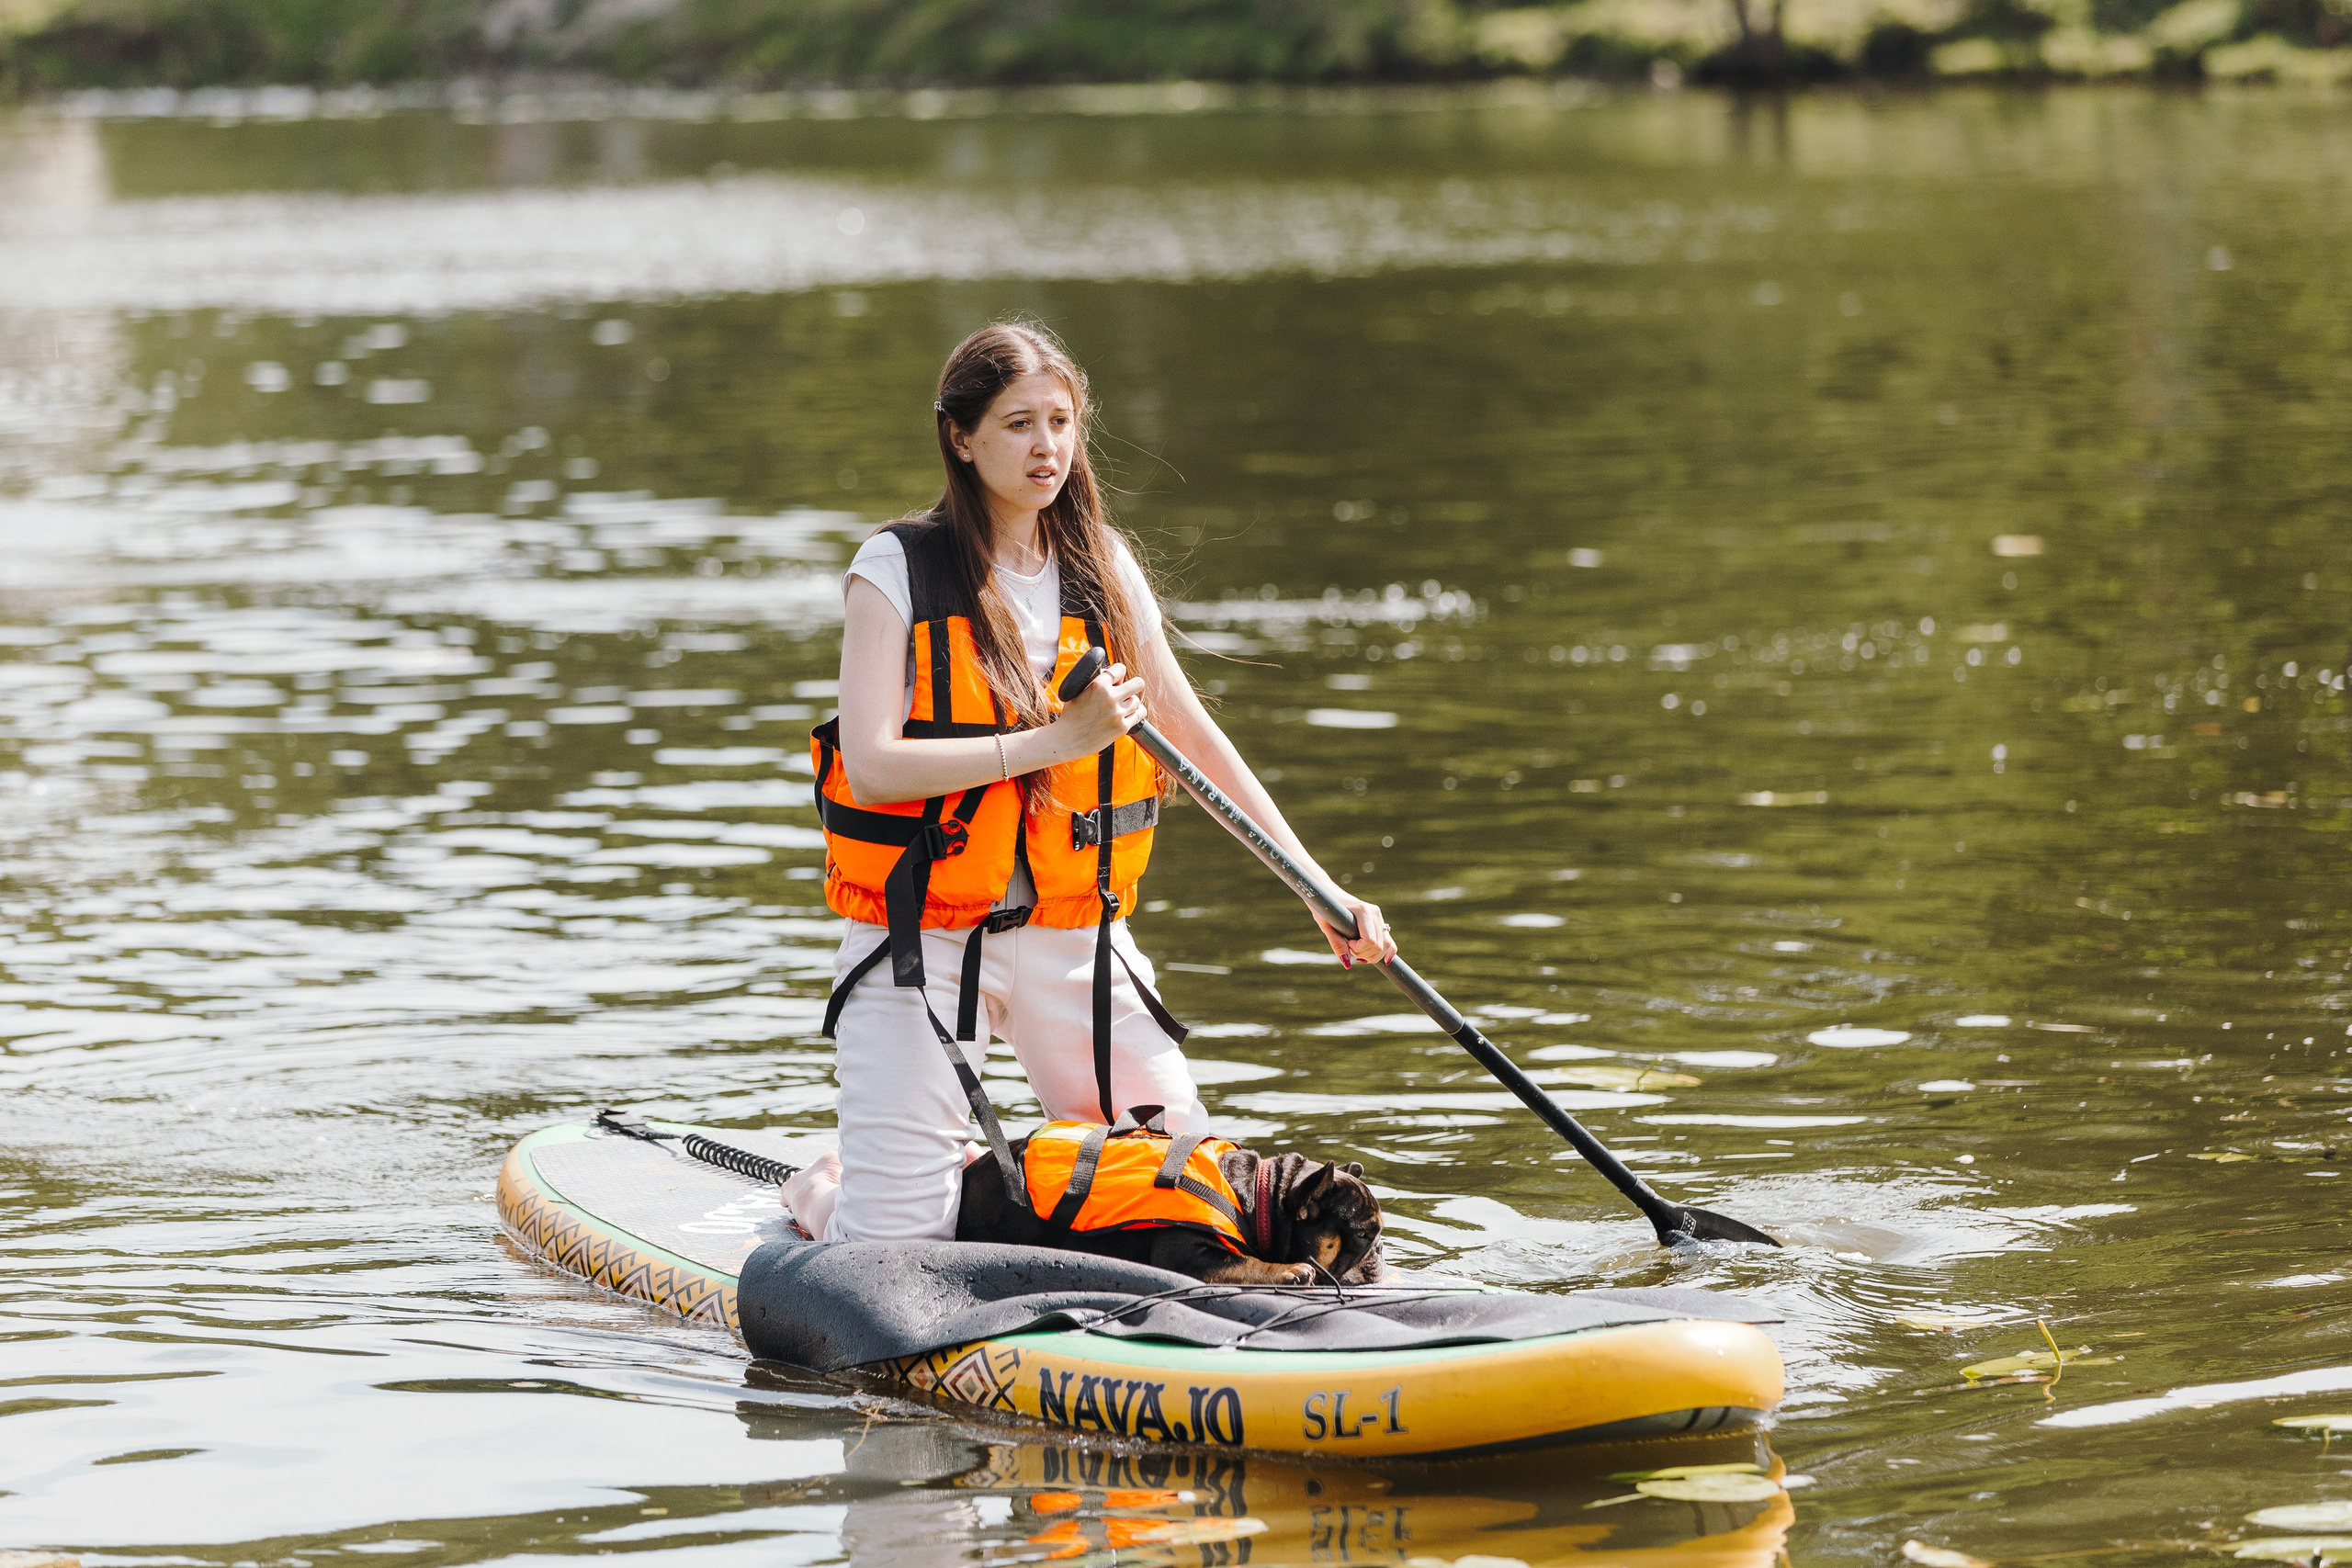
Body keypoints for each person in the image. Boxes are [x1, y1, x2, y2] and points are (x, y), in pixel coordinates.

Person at [784, 321, 1395, 1244]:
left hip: (1078, 939)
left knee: (1195, 1193)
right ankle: (827, 1187)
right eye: (1019, 424)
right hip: (925, 938)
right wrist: (1056, 740)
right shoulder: (895, 568)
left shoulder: (1102, 567)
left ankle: (997, 1192)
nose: (1046, 448)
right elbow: (870, 765)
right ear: (960, 436)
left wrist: (1316, 887)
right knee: (890, 1243)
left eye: (1061, 422)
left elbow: (1189, 733)